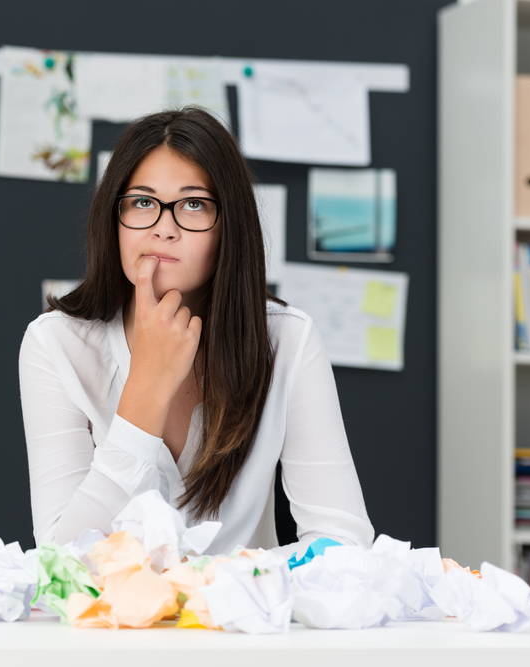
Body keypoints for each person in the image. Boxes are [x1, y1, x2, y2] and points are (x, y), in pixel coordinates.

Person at [19, 107, 373, 558]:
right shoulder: (56, 344)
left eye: (193, 204)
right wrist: (145, 391)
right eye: (143, 202)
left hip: (240, 623)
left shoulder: (287, 341)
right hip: (110, 630)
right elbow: (60, 562)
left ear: (230, 227)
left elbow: (343, 543)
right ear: (114, 218)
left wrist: (219, 590)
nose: (164, 229)